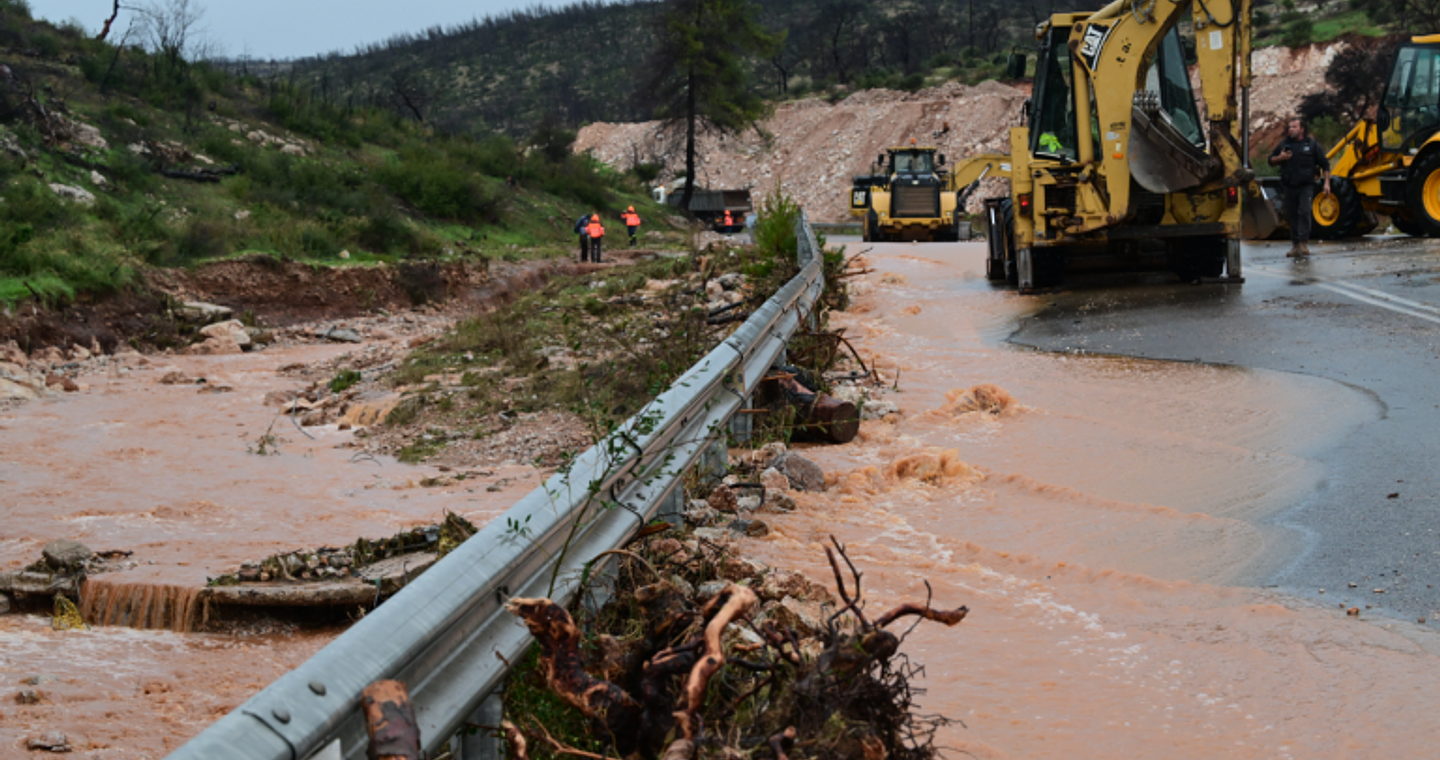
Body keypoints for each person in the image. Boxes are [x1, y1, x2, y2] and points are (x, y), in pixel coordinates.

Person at [1269, 117, 1331, 258]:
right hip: (1289, 186)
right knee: (1291, 215)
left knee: (1304, 212)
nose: (1291, 129)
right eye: (1290, 127)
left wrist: (1327, 183)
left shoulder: (1312, 144)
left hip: (1306, 186)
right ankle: (1295, 245)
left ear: (1302, 129)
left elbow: (1325, 164)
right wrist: (1281, 158)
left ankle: (1303, 243)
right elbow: (1271, 160)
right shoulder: (1284, 144)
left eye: (1294, 127)